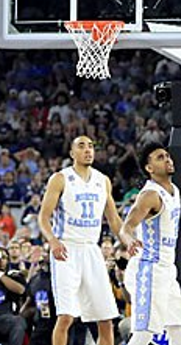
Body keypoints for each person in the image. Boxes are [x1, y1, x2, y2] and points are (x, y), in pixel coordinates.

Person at [38, 136, 124, 345]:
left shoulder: (102, 180)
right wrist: (53, 241)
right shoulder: (60, 178)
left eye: (91, 146)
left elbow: (113, 219)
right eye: (81, 146)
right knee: (66, 317)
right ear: (72, 153)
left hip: (92, 250)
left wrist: (128, 241)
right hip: (66, 249)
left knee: (106, 319)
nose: (88, 150)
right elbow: (43, 217)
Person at [118, 143, 181, 345]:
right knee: (144, 333)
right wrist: (130, 240)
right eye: (160, 158)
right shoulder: (150, 195)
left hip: (167, 269)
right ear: (149, 168)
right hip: (148, 269)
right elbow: (126, 228)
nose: (167, 159)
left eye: (167, 155)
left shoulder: (175, 190)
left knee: (179, 328)